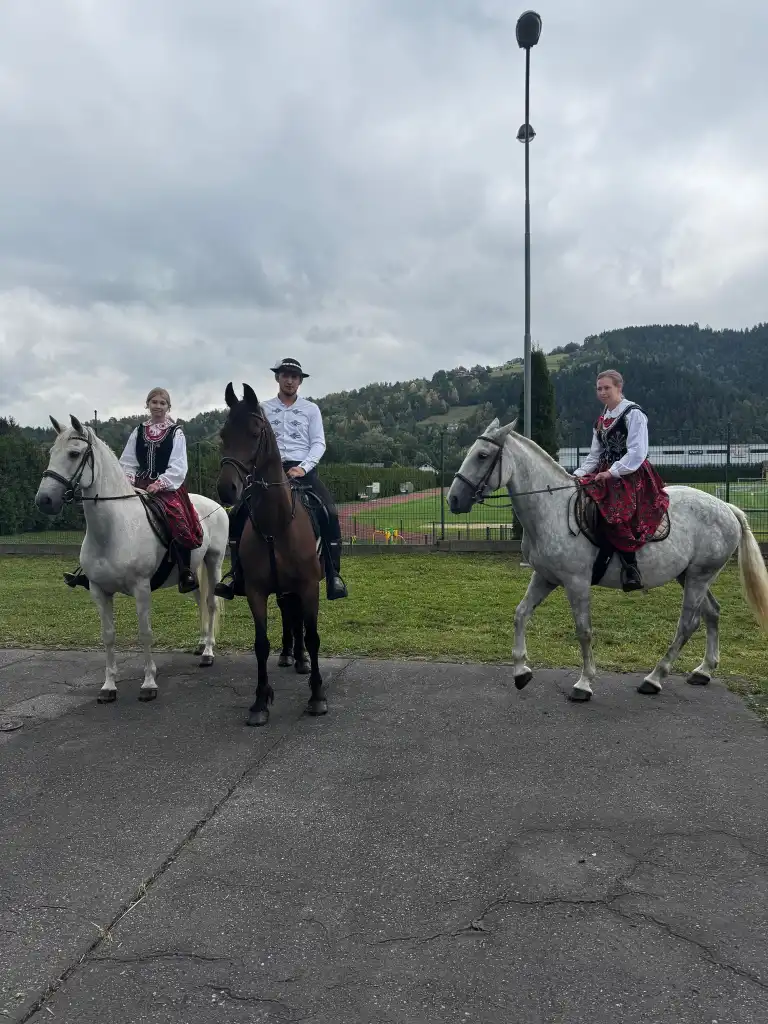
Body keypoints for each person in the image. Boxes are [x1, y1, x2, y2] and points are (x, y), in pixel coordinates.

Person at [215, 357, 348, 601]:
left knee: (329, 511)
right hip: (267, 474)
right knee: (237, 514)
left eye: (294, 377)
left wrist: (303, 468)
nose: (289, 380)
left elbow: (318, 442)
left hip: (302, 472)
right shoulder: (262, 409)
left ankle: (333, 574)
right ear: (277, 378)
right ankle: (236, 574)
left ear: (300, 381)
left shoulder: (311, 409)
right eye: (285, 375)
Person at [63, 387, 202, 594]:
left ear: (168, 407)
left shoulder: (176, 433)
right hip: (139, 484)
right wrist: (128, 481)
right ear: (147, 405)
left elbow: (179, 465)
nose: (158, 406)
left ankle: (184, 571)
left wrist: (160, 483)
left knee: (177, 520)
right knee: (110, 514)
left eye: (162, 403)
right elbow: (128, 461)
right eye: (154, 402)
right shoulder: (139, 431)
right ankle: (91, 569)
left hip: (168, 488)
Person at [573, 369, 669, 592]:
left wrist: (613, 471)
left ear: (619, 388)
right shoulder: (601, 420)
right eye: (599, 388)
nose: (603, 392)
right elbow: (594, 456)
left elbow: (637, 452)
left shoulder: (633, 414)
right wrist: (577, 474)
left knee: (615, 511)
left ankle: (630, 567)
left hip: (631, 473)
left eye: (607, 387)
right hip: (604, 471)